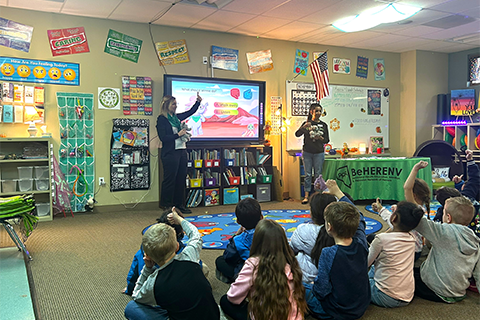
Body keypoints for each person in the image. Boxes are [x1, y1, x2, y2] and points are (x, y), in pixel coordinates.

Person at [124, 208, 220, 320]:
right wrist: (179, 219)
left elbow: (136, 296)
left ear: (148, 256)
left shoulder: (153, 281)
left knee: (131, 307)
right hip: (213, 316)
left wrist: (147, 268)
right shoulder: (189, 257)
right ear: (177, 246)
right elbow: (195, 235)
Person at [306, 179, 370, 320]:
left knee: (302, 287)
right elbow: (360, 217)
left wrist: (312, 287)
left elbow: (321, 290)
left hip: (338, 311)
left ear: (329, 227)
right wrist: (339, 192)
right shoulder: (361, 242)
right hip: (361, 305)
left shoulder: (328, 253)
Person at [220, 219, 307, 320]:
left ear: (257, 241)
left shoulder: (253, 264)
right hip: (293, 316)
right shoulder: (291, 260)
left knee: (225, 300)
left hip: (264, 315)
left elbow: (233, 297)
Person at [413, 195, 480, 303]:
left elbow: (419, 222)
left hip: (435, 290)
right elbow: (478, 273)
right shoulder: (475, 241)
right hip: (459, 292)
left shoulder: (443, 231)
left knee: (406, 274)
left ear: (448, 218)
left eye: (443, 212)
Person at [368, 201, 424, 308]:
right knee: (375, 268)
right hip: (407, 296)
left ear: (394, 217)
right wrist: (381, 210)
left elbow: (365, 263)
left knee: (356, 282)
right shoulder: (413, 238)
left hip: (385, 296)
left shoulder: (381, 239)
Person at [123, 208, 187, 295]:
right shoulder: (183, 251)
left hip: (149, 291)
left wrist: (129, 289)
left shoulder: (145, 251)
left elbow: (133, 273)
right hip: (176, 293)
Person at [156, 92, 202, 214]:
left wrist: (198, 102)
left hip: (181, 152)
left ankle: (179, 205)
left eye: (176, 104)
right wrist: (178, 134)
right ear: (166, 105)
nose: (175, 106)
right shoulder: (162, 119)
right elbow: (163, 137)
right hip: (170, 153)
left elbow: (189, 112)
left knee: (181, 179)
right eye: (173, 104)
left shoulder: (176, 118)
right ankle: (167, 206)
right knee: (170, 180)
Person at [290, 192, 336, 284]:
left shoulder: (302, 229)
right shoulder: (339, 232)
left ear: (312, 211)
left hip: (304, 277)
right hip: (331, 279)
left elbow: (292, 248)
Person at [433, 149, 480, 238]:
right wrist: (470, 160)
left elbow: (436, 228)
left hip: (453, 239)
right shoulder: (468, 197)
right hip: (473, 237)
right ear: (457, 192)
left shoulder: (443, 211)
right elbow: (475, 178)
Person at [215, 197, 263, 283]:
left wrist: (236, 235)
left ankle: (236, 279)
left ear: (238, 221)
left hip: (249, 273)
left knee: (220, 260)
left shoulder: (238, 240)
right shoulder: (272, 232)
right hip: (270, 269)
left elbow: (228, 257)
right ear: (261, 217)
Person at [295, 103, 330, 205]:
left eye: (320, 111)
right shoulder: (307, 123)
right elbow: (297, 134)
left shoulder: (324, 125)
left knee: (318, 174)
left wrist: (320, 138)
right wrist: (303, 127)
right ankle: (306, 196)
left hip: (319, 152)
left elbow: (327, 140)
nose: (319, 113)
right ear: (311, 112)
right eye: (316, 111)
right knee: (308, 174)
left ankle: (317, 195)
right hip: (307, 153)